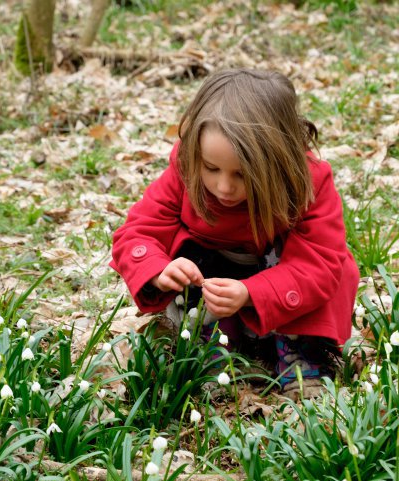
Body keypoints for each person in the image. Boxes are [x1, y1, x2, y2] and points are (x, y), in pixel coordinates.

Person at [110, 68, 360, 398]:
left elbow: (320, 261)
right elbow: (139, 231)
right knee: (181, 256)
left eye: (243, 174)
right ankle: (208, 342)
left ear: (280, 160)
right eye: (211, 168)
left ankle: (301, 350)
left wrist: (251, 293)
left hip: (278, 287)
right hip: (209, 283)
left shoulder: (307, 184)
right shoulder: (184, 169)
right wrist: (158, 270)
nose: (223, 186)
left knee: (339, 268)